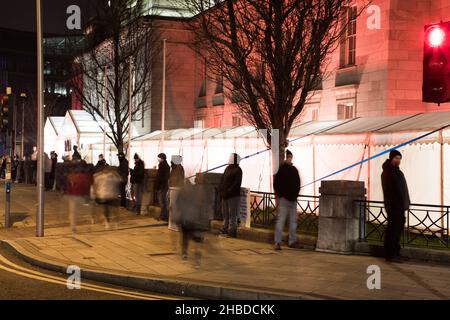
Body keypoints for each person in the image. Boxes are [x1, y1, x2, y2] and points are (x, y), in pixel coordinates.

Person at [381, 150, 410, 263]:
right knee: (392, 231)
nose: (398, 160)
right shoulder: (387, 173)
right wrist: (393, 205)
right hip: (393, 207)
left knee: (398, 231)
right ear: (391, 158)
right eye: (396, 158)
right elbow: (389, 192)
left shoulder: (399, 172)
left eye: (399, 159)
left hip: (400, 206)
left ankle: (396, 253)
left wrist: (406, 203)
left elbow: (403, 190)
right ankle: (390, 254)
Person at [273, 149, 301, 250]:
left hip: (291, 199)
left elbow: (298, 184)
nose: (290, 159)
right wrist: (281, 195)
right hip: (285, 199)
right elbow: (277, 184)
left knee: (292, 221)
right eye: (288, 157)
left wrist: (295, 194)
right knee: (282, 220)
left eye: (290, 157)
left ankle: (291, 241)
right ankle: (278, 242)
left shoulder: (291, 169)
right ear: (286, 158)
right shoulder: (283, 169)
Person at [61, 160, 93, 233]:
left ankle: (73, 227)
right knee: (84, 211)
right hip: (82, 196)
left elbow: (66, 185)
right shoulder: (86, 176)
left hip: (72, 196)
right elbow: (89, 185)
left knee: (73, 212)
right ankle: (87, 225)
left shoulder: (71, 175)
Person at [219, 153, 243, 238]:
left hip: (233, 196)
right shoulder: (227, 168)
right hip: (225, 195)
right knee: (225, 214)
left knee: (232, 214)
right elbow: (223, 179)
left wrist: (228, 191)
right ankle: (224, 229)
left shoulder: (238, 170)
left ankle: (231, 232)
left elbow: (236, 184)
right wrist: (222, 190)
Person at [168, 155, 185, 231]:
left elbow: (176, 178)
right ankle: (172, 224)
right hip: (175, 187)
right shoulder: (177, 167)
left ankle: (173, 224)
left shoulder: (177, 168)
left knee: (174, 206)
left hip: (175, 188)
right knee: (174, 206)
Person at [155, 153, 170, 221]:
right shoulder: (163, 165)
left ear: (162, 158)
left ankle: (163, 215)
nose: (158, 159)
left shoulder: (164, 166)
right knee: (162, 202)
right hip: (162, 186)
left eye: (159, 158)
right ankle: (163, 215)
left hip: (162, 186)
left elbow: (162, 177)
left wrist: (159, 185)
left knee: (162, 202)